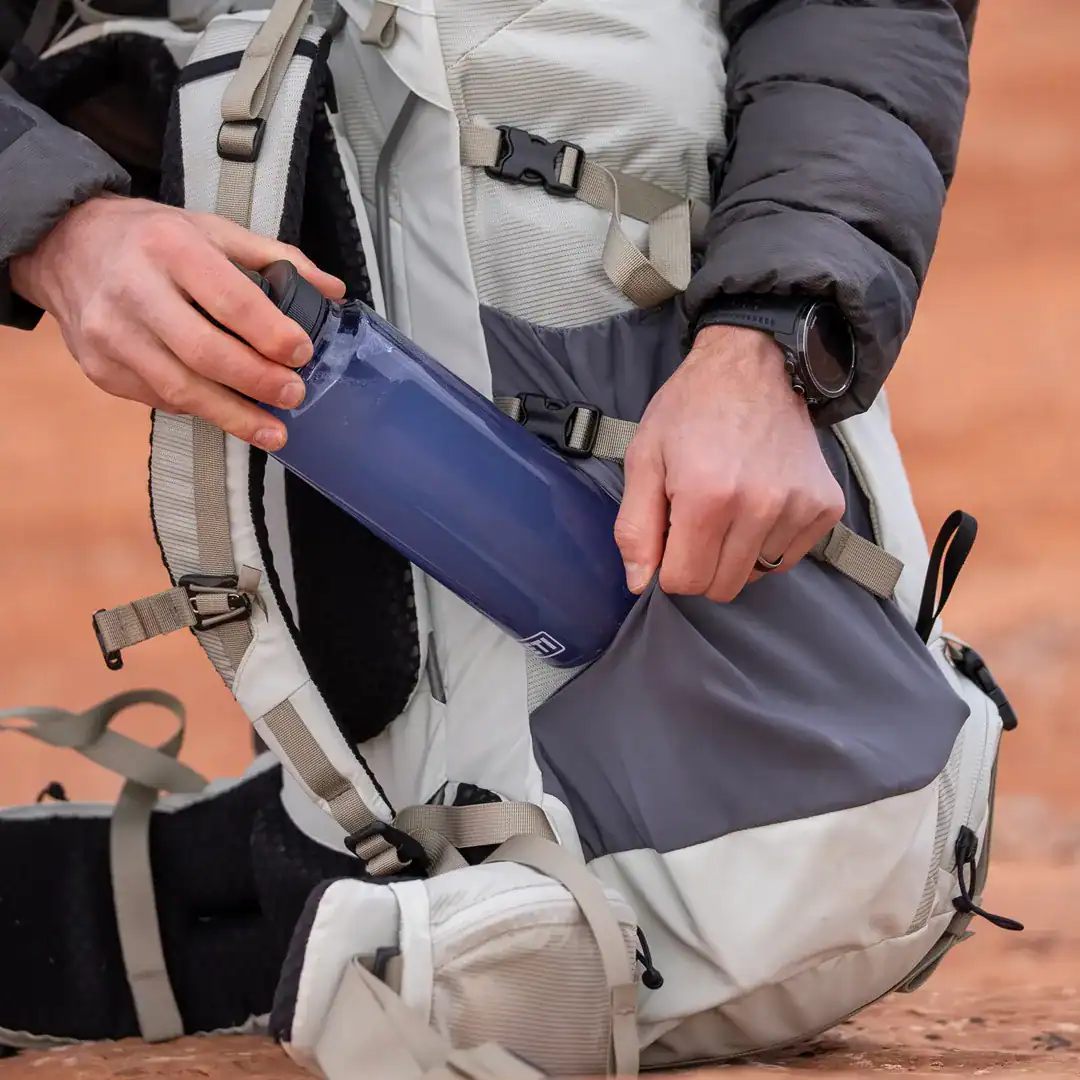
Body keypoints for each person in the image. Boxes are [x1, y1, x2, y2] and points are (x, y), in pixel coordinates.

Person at [0, 0, 1000, 1070]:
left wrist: (773, 338)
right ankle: (391, 838)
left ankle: (583, 848)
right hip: (376, 709)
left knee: (554, 49)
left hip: (750, 676)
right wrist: (61, 228)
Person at [2, 0, 979, 605]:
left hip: (693, 392)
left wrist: (770, 338)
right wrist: (58, 229)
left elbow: (860, 15)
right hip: (330, 523)